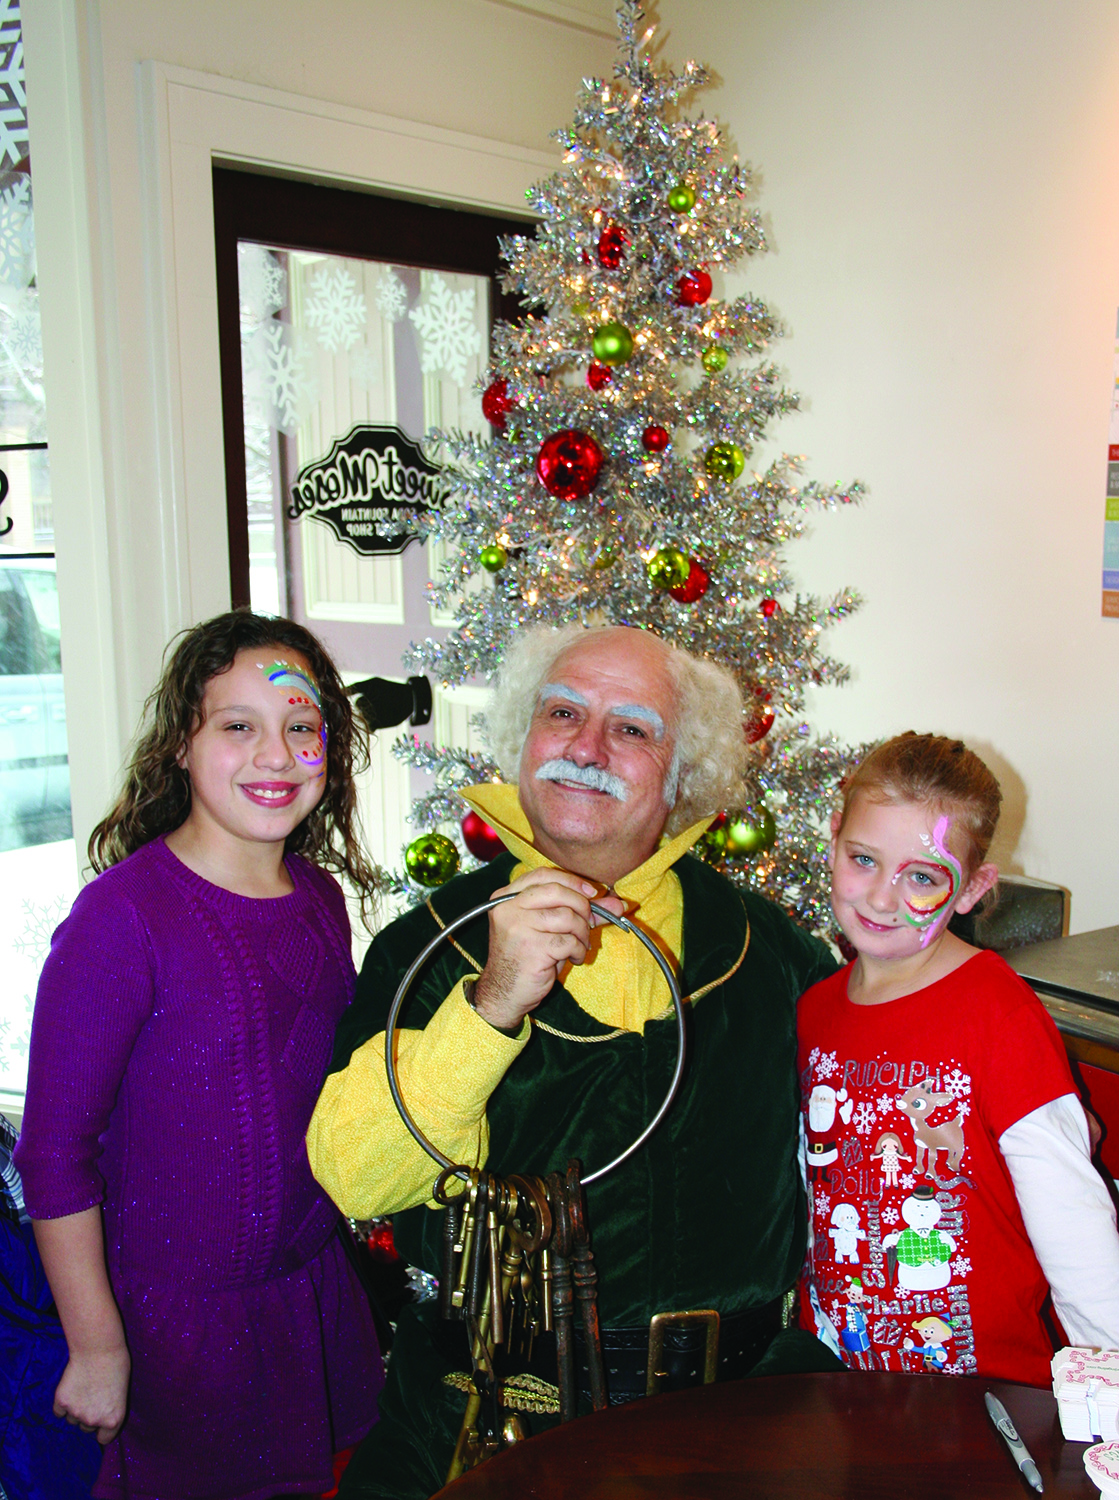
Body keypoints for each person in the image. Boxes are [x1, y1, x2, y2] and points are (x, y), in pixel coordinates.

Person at [308, 623, 841, 1500]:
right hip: (486, 1433)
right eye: (562, 713)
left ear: (683, 775)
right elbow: (356, 1180)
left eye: (632, 728)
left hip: (740, 1427)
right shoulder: (429, 948)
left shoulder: (768, 948)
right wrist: (487, 1005)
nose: (587, 747)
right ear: (523, 740)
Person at [14, 610, 385, 1500]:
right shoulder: (122, 919)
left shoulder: (320, 900)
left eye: (301, 728)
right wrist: (99, 1347)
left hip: (307, 1299)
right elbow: (53, 1155)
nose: (275, 753)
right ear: (182, 743)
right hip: (170, 1330)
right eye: (237, 726)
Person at [797, 732, 1119, 1384]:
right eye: (862, 859)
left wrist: (1107, 1389)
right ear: (833, 838)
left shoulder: (997, 1011)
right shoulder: (815, 1010)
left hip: (980, 1391)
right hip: (837, 1374)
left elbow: (1072, 1223)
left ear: (971, 889)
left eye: (921, 876)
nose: (882, 898)